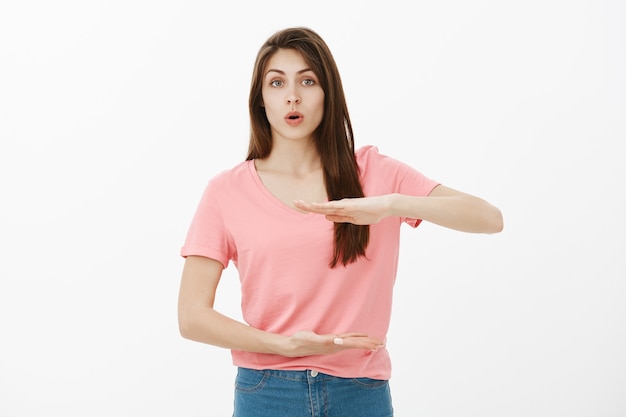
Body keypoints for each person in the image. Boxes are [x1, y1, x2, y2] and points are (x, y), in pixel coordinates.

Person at [177, 26, 503, 417]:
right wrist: (283, 345)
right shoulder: (226, 191)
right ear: (260, 99)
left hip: (360, 393)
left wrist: (389, 205)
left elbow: (489, 219)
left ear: (328, 93)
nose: (292, 96)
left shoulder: (376, 174)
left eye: (308, 81)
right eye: (277, 83)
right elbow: (191, 317)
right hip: (267, 391)